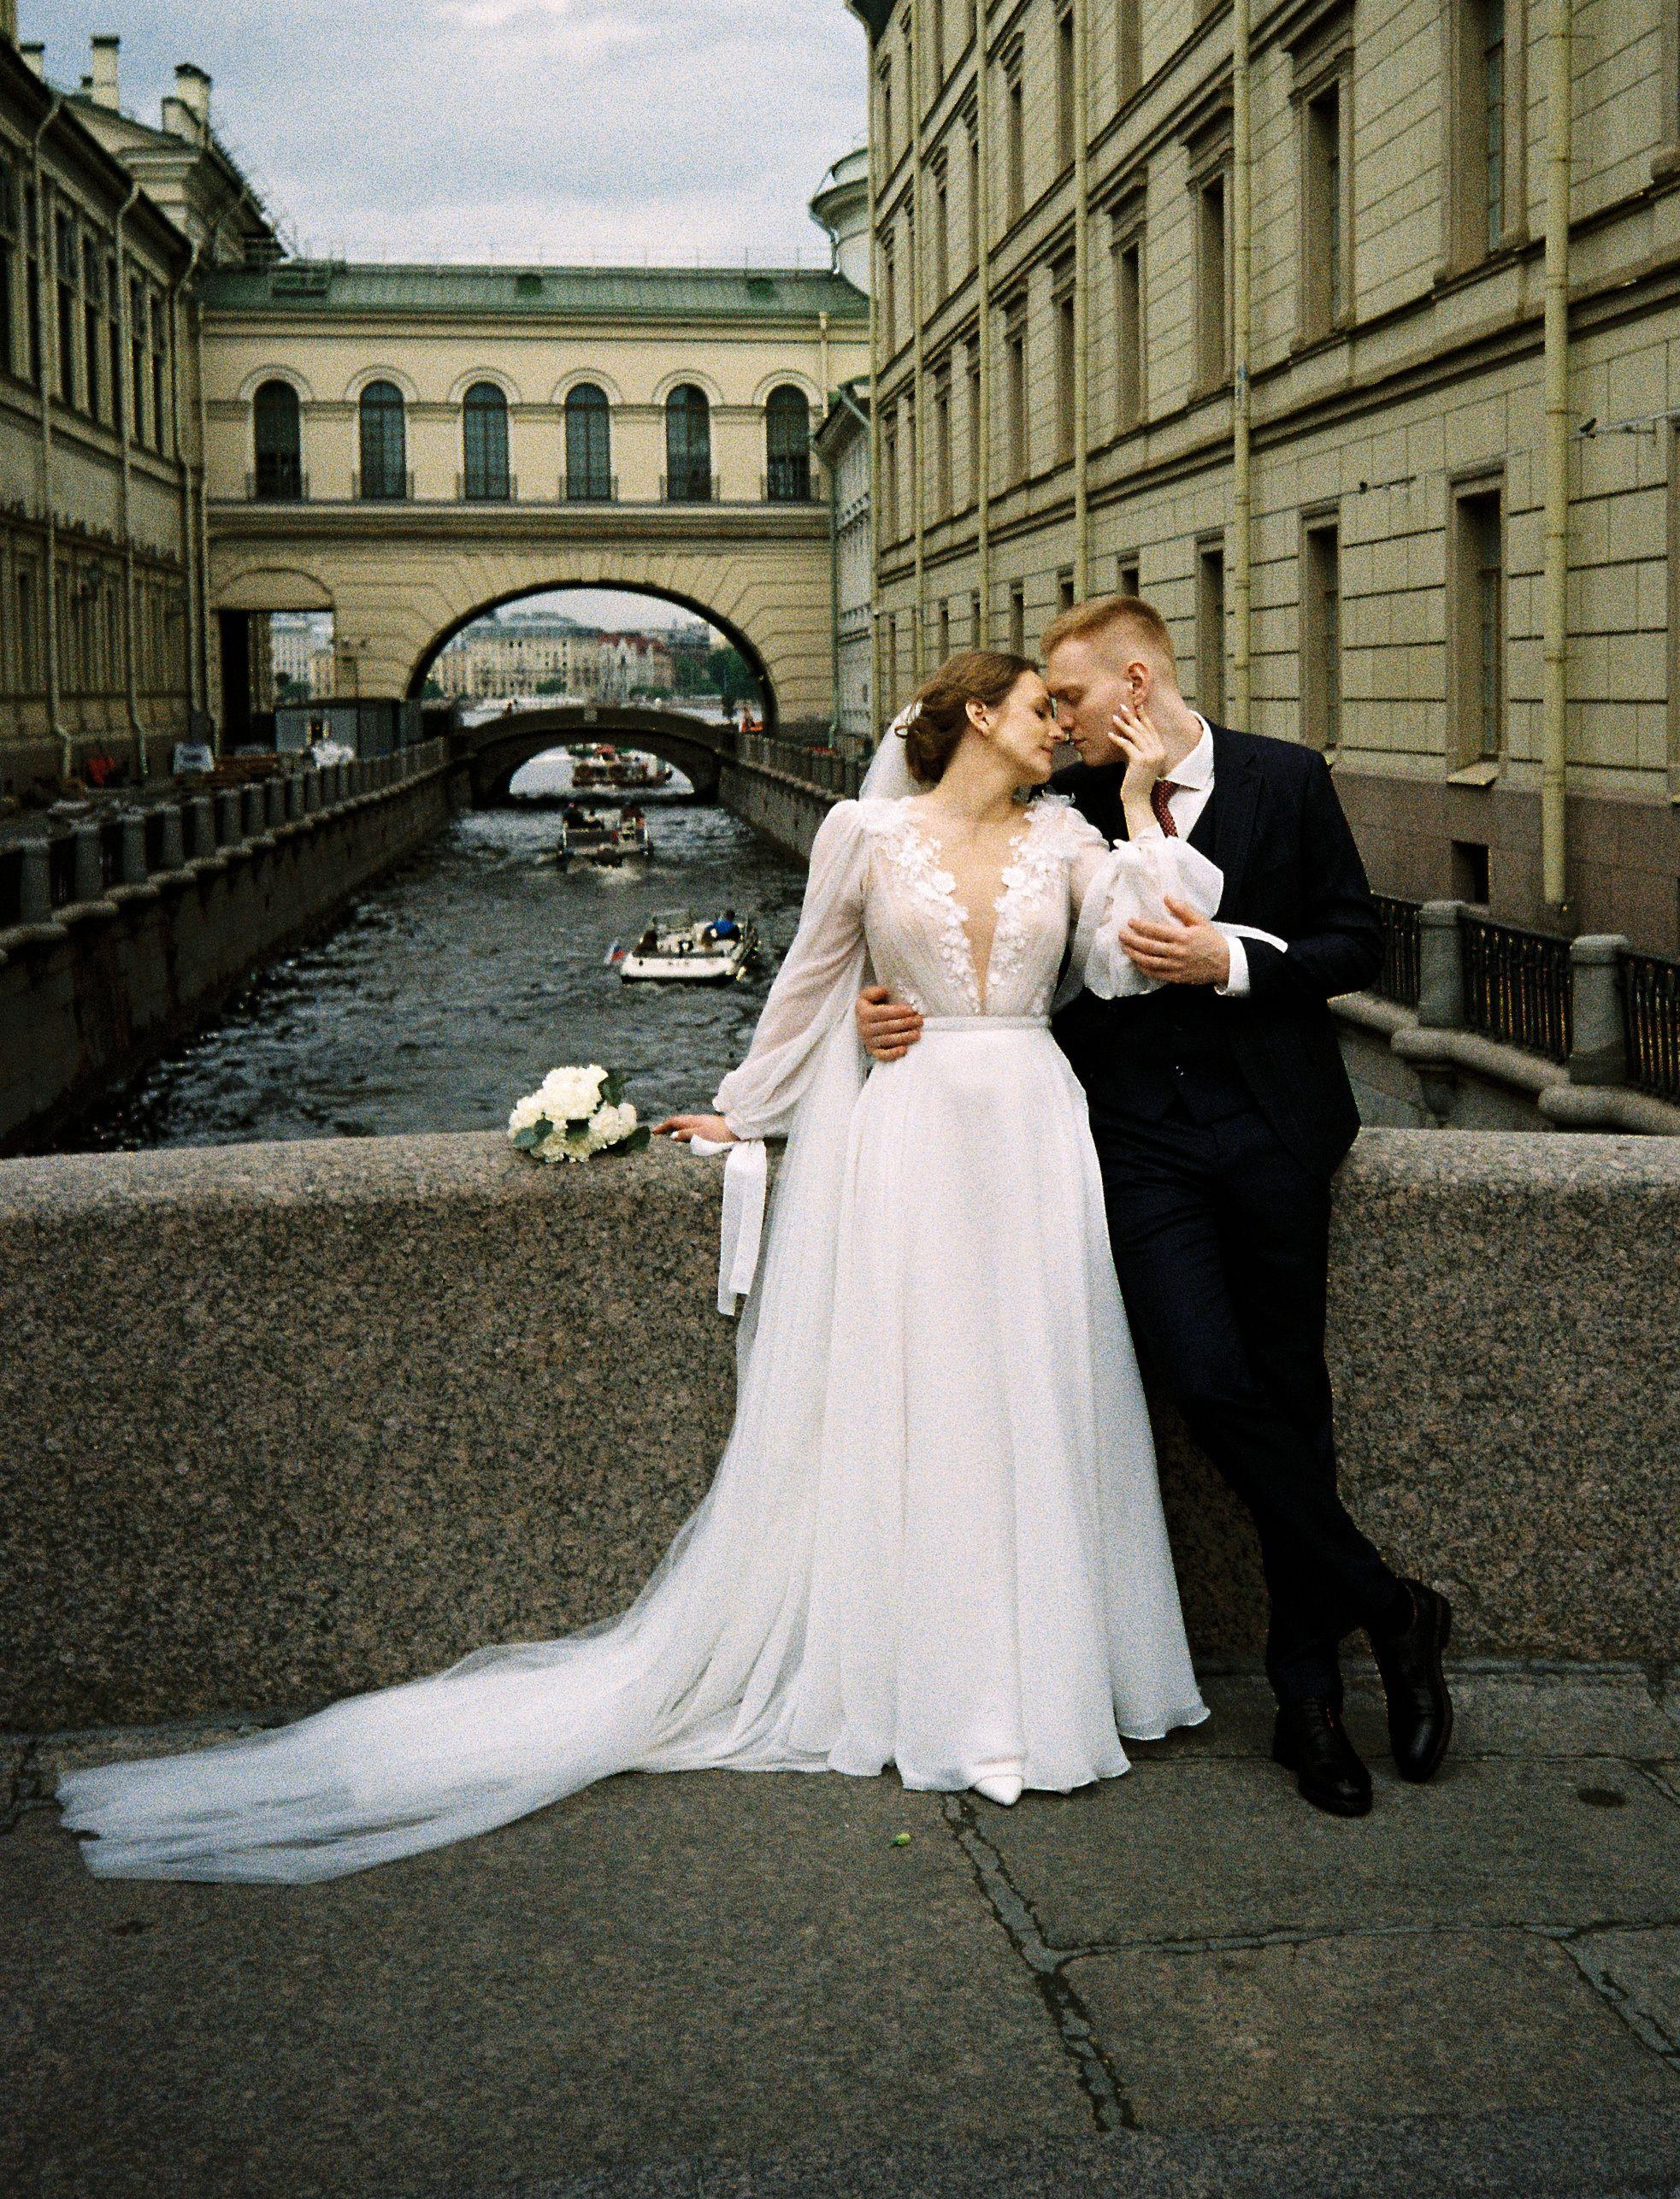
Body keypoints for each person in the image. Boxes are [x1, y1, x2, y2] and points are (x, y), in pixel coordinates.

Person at [58, 653, 1213, 1884]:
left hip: (1032, 1127)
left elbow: (1135, 956)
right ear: (979, 713)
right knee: (920, 1403)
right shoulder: (864, 834)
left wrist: (1140, 804)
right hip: (914, 1133)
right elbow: (807, 984)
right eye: (1042, 707)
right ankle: (941, 1691)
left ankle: (1039, 1685)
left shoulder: (1070, 836)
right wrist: (746, 1108)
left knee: (1036, 1389)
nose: (1062, 728)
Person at [859, 598, 1453, 1821]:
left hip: (1276, 1131)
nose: (1058, 721)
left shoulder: (1285, 779)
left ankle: (1308, 1699)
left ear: (1135, 685)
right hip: (1134, 1142)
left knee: (1289, 1393)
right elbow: (985, 927)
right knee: (1201, 1375)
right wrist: (887, 1004)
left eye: (1071, 698)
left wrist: (1234, 963)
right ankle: (1392, 1605)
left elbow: (1355, 942)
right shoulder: (1067, 804)